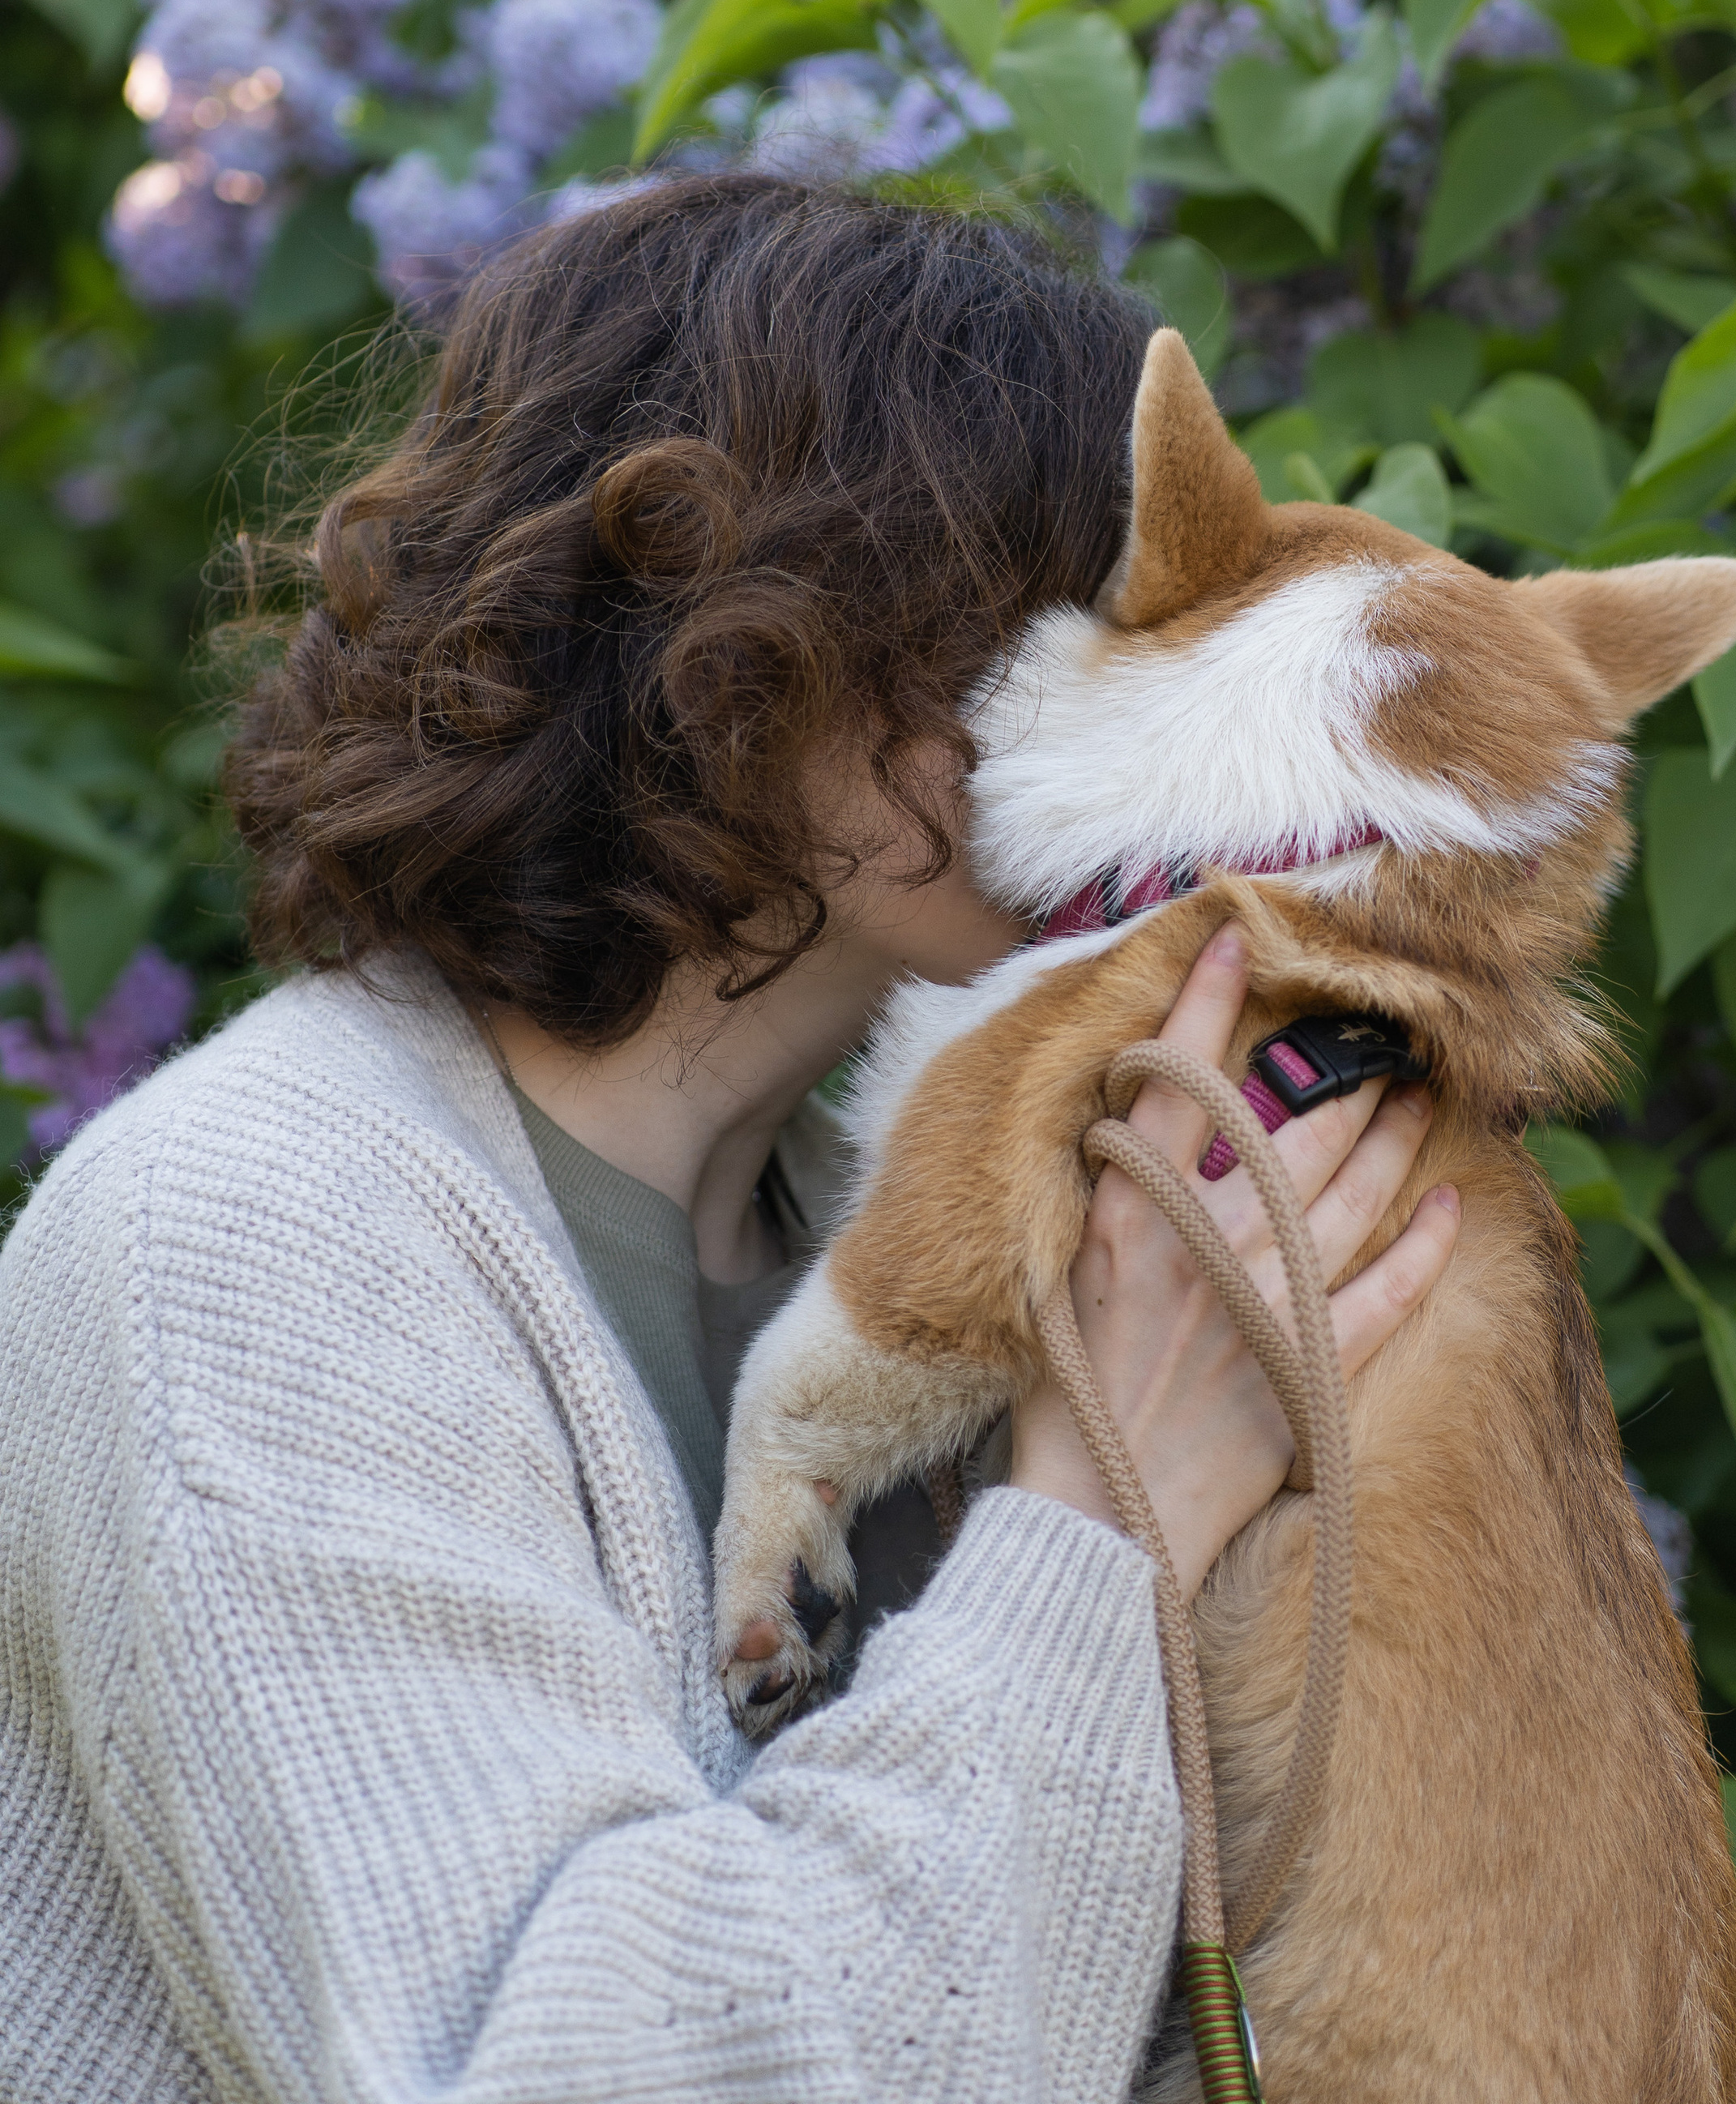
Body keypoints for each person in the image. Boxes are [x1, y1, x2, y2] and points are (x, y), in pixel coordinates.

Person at [0, 179, 1460, 2104]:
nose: (1138, 700)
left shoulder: (934, 1233)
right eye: (1060, 614)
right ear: (736, 643)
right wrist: (1104, 1511)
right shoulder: (245, 1236)